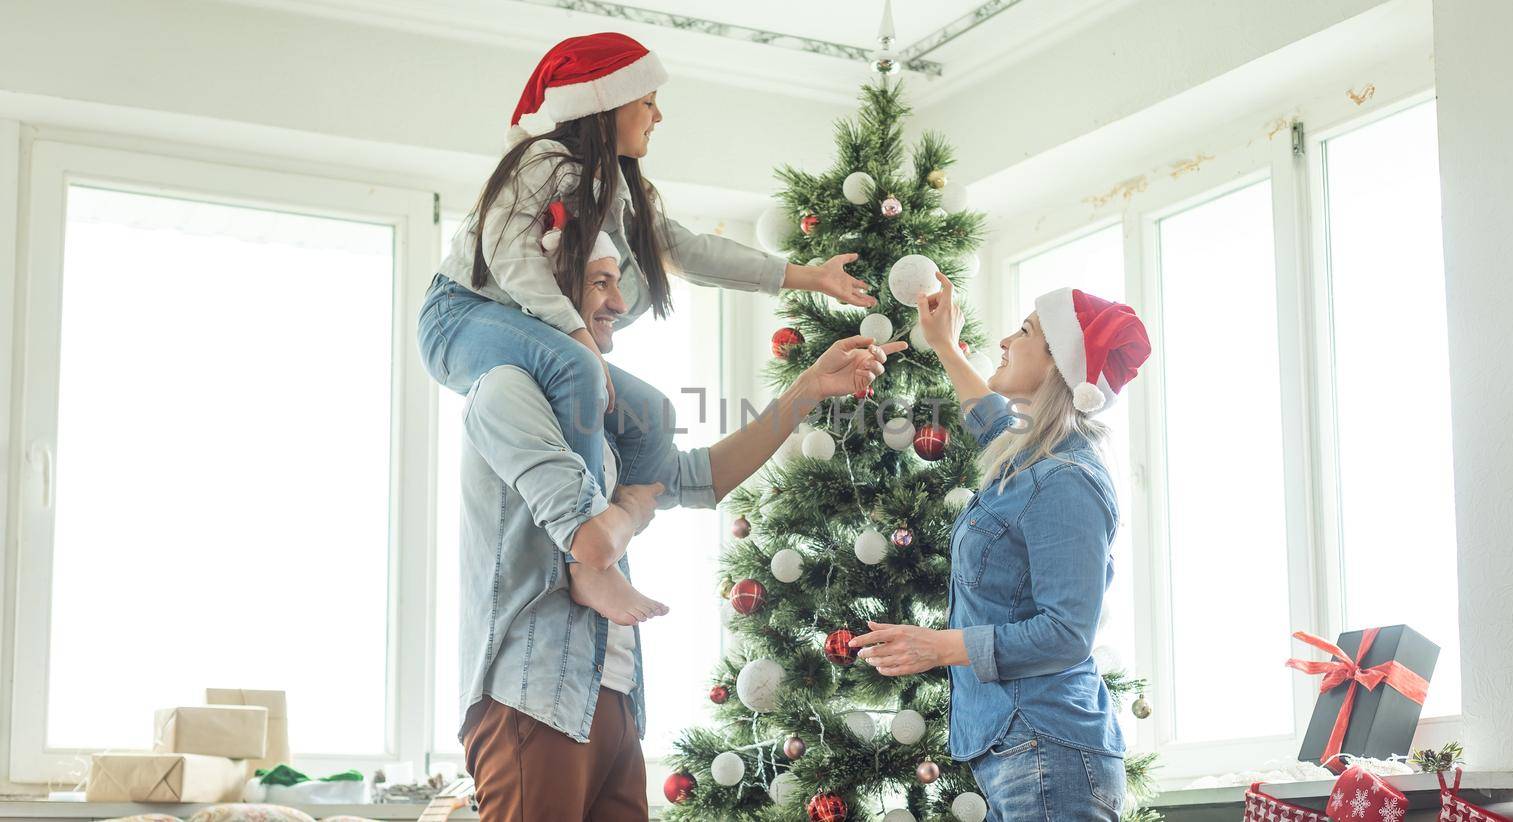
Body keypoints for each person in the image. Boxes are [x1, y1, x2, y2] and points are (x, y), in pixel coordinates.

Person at [417, 31, 874, 625]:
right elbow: (510, 255)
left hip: (530, 332)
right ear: (606, 105)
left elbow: (688, 250)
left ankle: (602, 544)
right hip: (463, 315)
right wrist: (576, 334)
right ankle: (590, 566)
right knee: (580, 365)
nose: (659, 116)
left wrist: (807, 277)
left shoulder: (625, 192)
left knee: (651, 412)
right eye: (647, 101)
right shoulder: (544, 162)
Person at [455, 238, 906, 821]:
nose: (619, 302)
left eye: (618, 282)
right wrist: (633, 511)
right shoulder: (505, 390)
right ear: (548, 293)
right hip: (533, 698)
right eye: (599, 283)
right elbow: (594, 541)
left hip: (614, 695)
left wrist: (808, 391)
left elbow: (697, 478)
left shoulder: (595, 408)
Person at [850, 273, 1152, 822]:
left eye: (1025, 330)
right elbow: (989, 418)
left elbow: (1067, 633)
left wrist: (939, 647)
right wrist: (943, 341)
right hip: (1021, 750)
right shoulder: (1030, 460)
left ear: (1061, 363)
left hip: (1049, 751)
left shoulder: (1065, 480)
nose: (1006, 341)